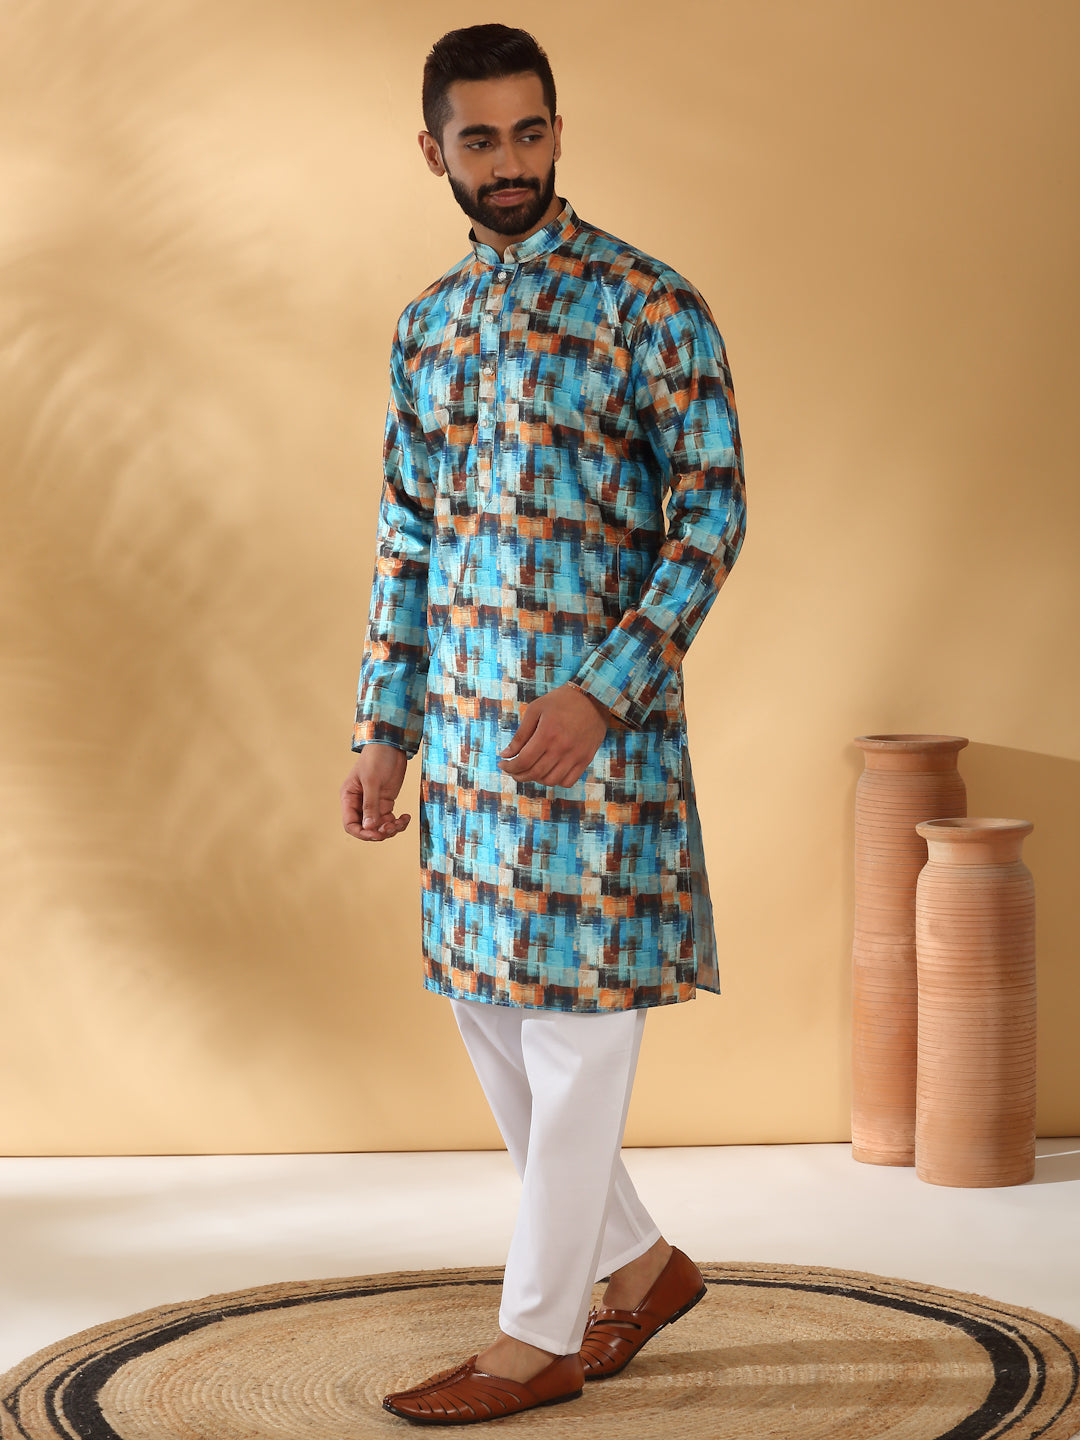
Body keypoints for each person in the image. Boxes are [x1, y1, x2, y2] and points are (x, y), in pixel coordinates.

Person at [340, 22, 746, 1425]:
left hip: (599, 743)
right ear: (434, 151)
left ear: (559, 132)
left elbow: (710, 520)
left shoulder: (649, 304)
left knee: (579, 1033)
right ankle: (640, 1265)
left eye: (529, 132)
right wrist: (383, 727)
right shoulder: (426, 328)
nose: (508, 162)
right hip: (464, 737)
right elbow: (407, 539)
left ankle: (538, 1336)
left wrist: (603, 688)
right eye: (480, 139)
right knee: (487, 1008)